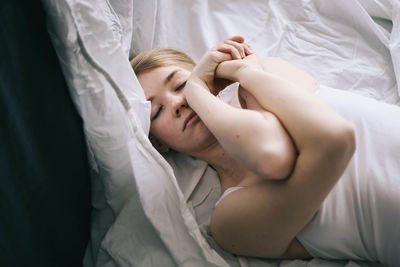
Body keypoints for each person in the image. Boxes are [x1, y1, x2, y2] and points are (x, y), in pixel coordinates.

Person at [130, 36, 400, 266]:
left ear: (209, 78)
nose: (178, 102)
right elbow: (277, 153)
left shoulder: (268, 72)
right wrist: (197, 90)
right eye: (156, 111)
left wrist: (242, 75)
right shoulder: (228, 223)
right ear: (158, 144)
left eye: (181, 85)